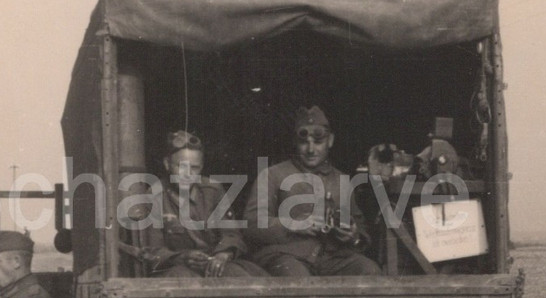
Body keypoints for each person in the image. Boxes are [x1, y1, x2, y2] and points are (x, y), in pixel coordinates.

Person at [244, 106, 381, 277]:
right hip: (286, 256)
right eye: (304, 142)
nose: (310, 149)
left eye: (318, 142)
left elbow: (360, 227)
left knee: (368, 270)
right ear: (295, 142)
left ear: (330, 141)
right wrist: (292, 224)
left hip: (333, 258)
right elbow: (251, 225)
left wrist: (353, 235)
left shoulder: (341, 180)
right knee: (297, 278)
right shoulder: (272, 175)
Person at [138, 130, 267, 279]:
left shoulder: (212, 191)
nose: (188, 174)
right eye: (181, 167)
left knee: (241, 278)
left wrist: (224, 253)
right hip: (176, 269)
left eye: (194, 168)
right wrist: (182, 257)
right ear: (167, 164)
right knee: (185, 282)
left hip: (213, 265)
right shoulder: (154, 196)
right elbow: (153, 251)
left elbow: (232, 234)